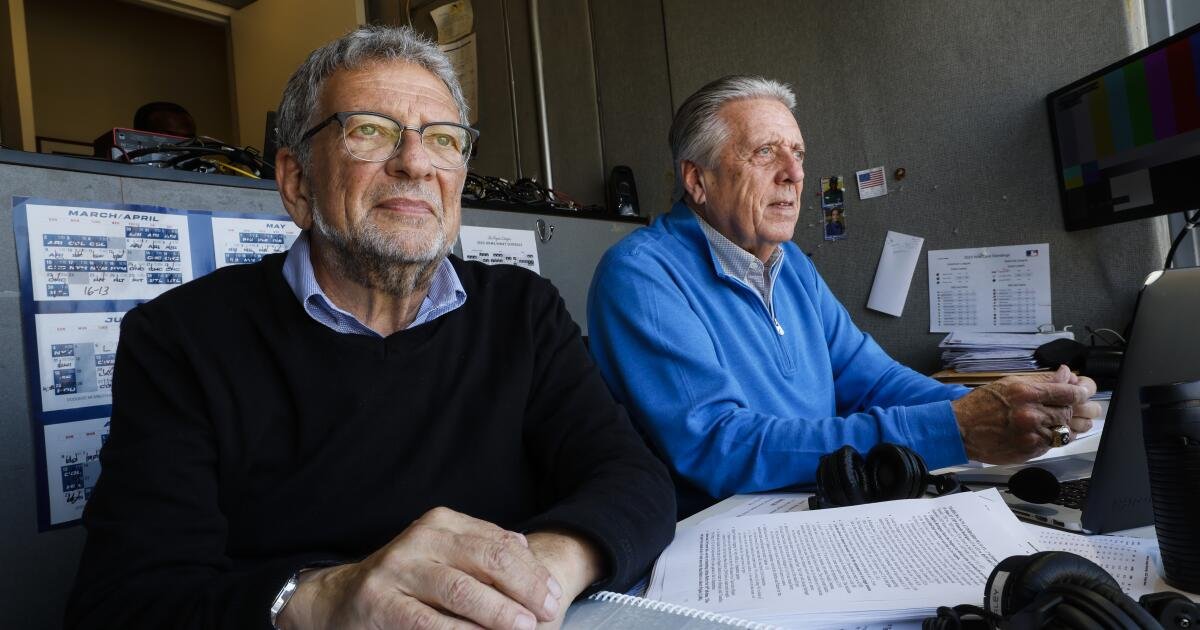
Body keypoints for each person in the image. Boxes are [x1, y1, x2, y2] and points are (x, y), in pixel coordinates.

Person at [66, 26, 675, 629]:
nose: (415, 163)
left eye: (442, 139)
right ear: (297, 182)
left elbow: (631, 477)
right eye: (370, 130)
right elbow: (123, 600)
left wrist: (544, 570)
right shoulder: (180, 338)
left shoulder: (522, 310)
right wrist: (322, 598)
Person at [586, 75, 1099, 517]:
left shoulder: (793, 269)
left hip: (813, 507)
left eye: (798, 153)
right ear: (697, 180)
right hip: (721, 537)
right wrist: (956, 426)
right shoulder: (641, 275)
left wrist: (1008, 409)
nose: (795, 173)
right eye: (765, 152)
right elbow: (722, 448)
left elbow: (872, 380)